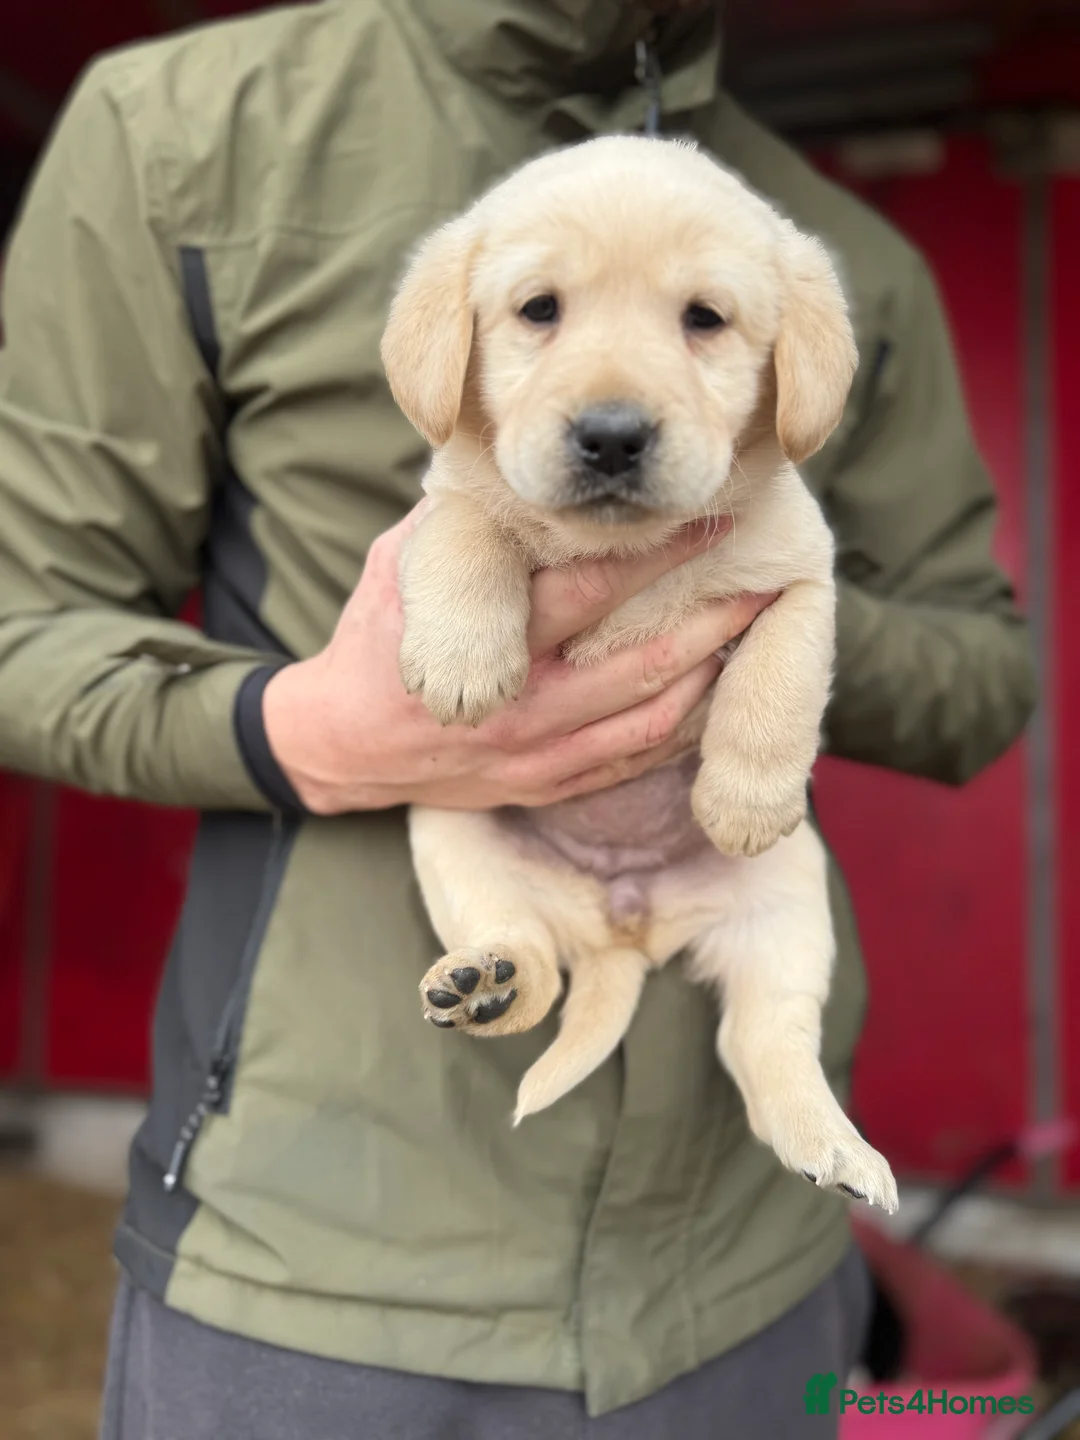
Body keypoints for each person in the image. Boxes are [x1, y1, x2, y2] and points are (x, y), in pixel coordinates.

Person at [0, 2, 1034, 1436]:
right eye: (540, 313)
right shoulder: (185, 132)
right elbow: (21, 630)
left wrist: (753, 616)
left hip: (742, 1267)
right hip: (316, 1266)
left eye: (699, 321)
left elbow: (987, 678)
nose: (614, 405)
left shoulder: (835, 256)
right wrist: (307, 732)